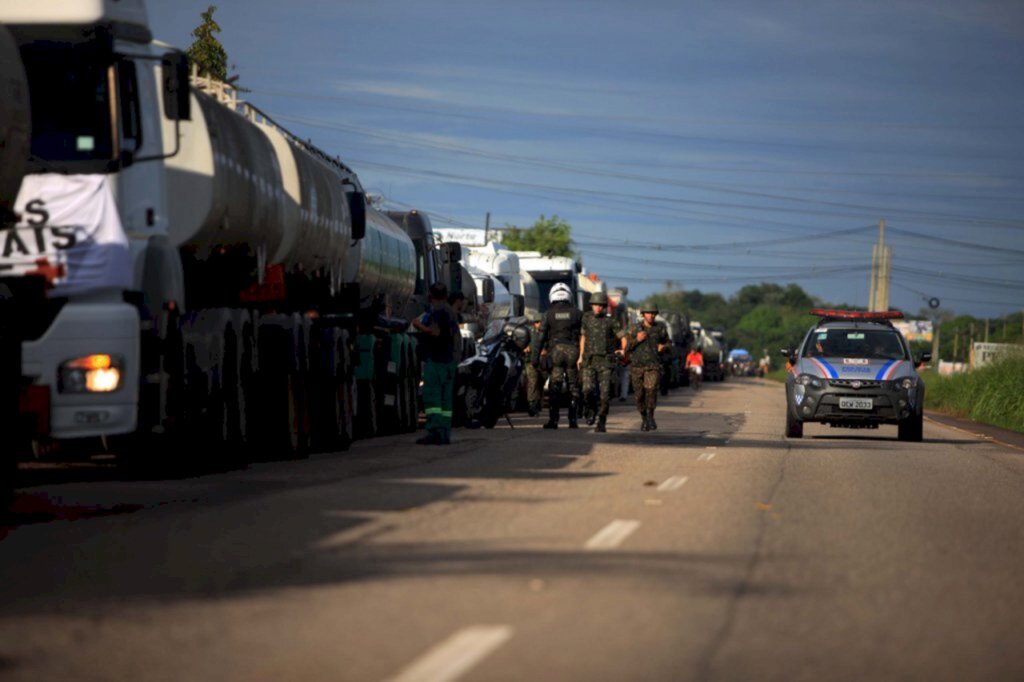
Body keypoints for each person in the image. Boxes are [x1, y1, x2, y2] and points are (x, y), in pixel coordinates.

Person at [531, 282, 582, 429]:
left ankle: (553, 421)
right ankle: (573, 420)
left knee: (555, 386)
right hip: (573, 351)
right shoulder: (577, 313)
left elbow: (540, 338)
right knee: (573, 386)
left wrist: (535, 359)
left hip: (556, 352)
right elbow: (584, 334)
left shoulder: (547, 314)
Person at [412, 282, 458, 445]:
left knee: (432, 397)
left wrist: (419, 326)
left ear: (430, 296)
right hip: (449, 361)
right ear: (445, 295)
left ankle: (434, 431)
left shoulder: (438, 311)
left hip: (438, 360)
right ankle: (444, 433)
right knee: (446, 401)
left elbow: (435, 332)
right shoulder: (449, 311)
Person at [578, 291, 625, 433]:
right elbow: (583, 337)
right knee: (587, 389)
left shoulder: (611, 321)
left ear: (604, 306)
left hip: (605, 362)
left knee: (605, 395)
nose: (598, 308)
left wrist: (623, 350)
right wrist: (580, 356)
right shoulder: (586, 318)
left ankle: (602, 420)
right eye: (595, 305)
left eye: (600, 305)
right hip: (589, 360)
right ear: (592, 305)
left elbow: (623, 336)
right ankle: (591, 409)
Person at [624, 303, 668, 431]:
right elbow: (626, 348)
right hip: (637, 367)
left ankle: (650, 415)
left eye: (653, 313)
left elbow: (668, 343)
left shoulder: (660, 329)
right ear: (643, 314)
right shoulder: (634, 329)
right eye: (648, 313)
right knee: (639, 396)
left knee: (651, 390)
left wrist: (664, 347)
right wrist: (636, 339)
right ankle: (644, 418)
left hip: (653, 366)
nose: (651, 315)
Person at [524, 311, 547, 417]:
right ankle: (532, 405)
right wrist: (525, 347)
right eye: (537, 322)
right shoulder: (529, 333)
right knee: (533, 382)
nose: (539, 324)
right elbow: (522, 342)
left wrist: (546, 350)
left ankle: (538, 404)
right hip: (531, 361)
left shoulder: (547, 333)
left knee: (540, 383)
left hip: (543, 362)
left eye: (541, 322)